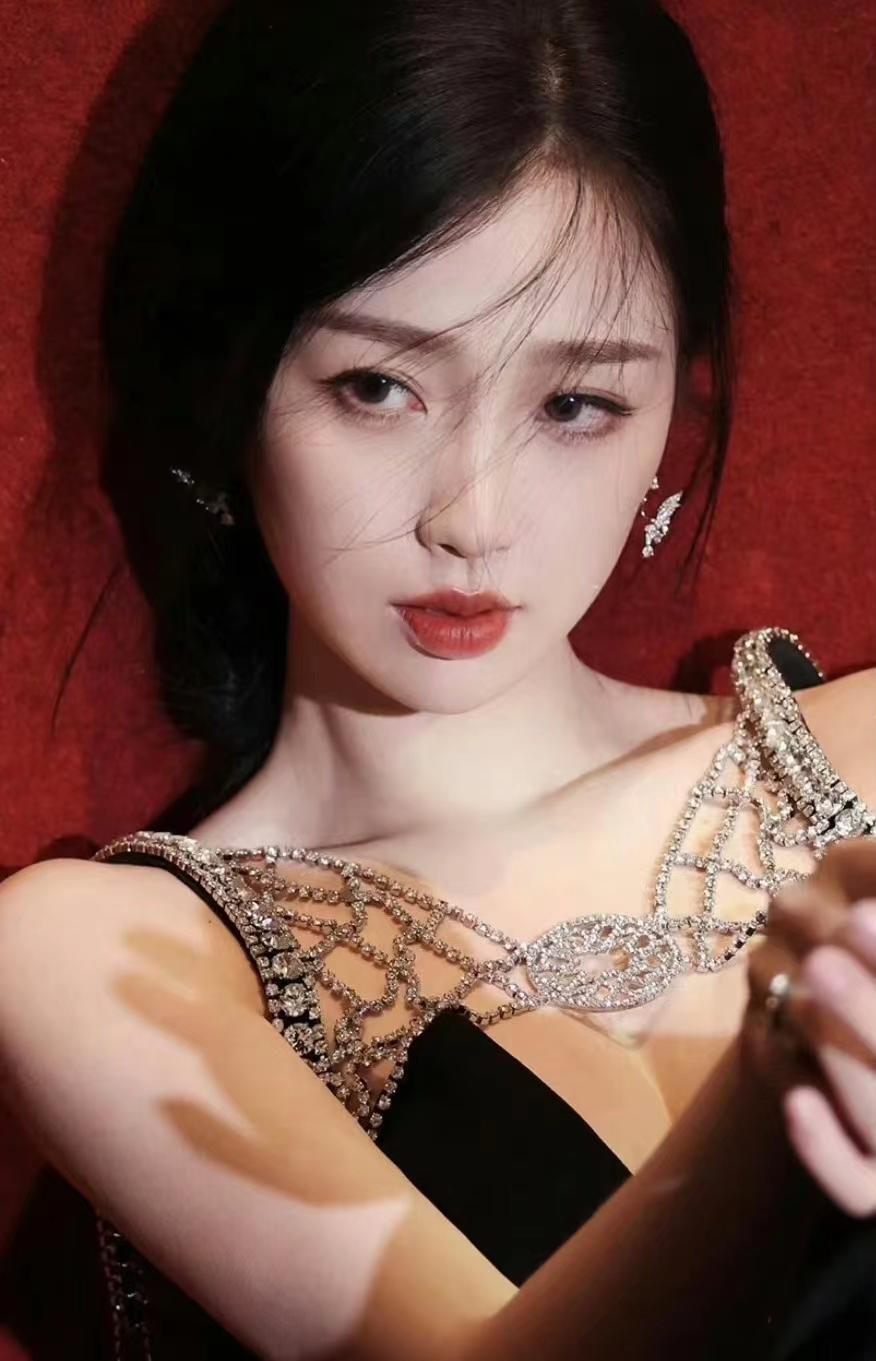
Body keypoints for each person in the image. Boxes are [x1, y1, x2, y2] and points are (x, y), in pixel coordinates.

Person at [0, 0, 874, 1357]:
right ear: (232, 385)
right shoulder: (103, 958)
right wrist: (780, 1083)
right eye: (377, 388)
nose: (472, 517)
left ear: (669, 419)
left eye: (575, 405)